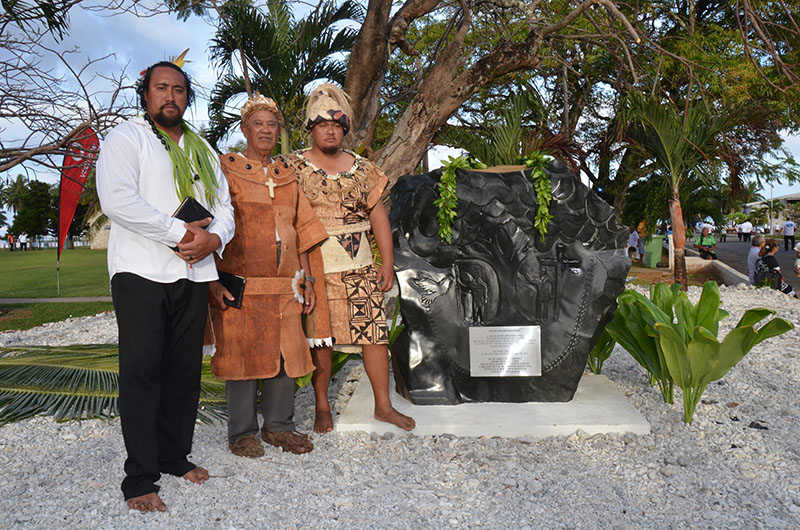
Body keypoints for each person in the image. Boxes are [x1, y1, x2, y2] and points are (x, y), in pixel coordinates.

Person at [96, 59, 235, 512]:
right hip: (141, 271)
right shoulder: (127, 137)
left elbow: (223, 205)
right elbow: (118, 201)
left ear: (187, 97)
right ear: (146, 94)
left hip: (194, 273)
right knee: (142, 372)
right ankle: (139, 478)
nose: (170, 96)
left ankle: (174, 455)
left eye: (178, 89)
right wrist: (181, 235)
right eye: (161, 88)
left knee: (183, 373)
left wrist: (214, 238)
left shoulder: (203, 150)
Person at [286, 83, 415, 434]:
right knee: (321, 339)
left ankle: (383, 405)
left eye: (337, 124)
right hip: (314, 269)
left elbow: (378, 218)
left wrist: (386, 263)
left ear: (344, 128)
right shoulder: (292, 168)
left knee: (374, 334)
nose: (330, 130)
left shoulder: (363, 170)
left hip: (359, 267)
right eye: (322, 124)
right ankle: (323, 406)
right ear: (311, 128)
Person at [208, 94, 328, 458]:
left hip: (285, 286)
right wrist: (211, 280)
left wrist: (307, 281)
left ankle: (279, 427)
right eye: (257, 123)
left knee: (285, 355)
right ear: (244, 129)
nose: (265, 130)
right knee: (241, 355)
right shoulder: (225, 170)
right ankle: (241, 432)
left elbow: (304, 232)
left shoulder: (287, 176)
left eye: (271, 124)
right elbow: (211, 223)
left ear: (278, 132)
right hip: (241, 284)